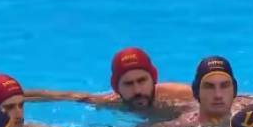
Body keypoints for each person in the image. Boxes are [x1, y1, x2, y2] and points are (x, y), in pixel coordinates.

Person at [24, 47, 195, 118]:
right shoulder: (115, 102)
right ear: (116, 87)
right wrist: (16, 95)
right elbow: (69, 97)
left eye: (142, 81)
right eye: (128, 84)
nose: (137, 90)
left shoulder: (181, 95)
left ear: (154, 79)